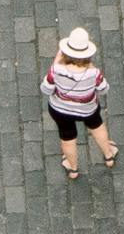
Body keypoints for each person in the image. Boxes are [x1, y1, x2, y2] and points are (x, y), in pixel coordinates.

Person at [40, 27, 118, 175]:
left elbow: (46, 89)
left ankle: (73, 168)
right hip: (88, 109)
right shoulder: (94, 73)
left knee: (67, 137)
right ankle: (109, 155)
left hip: (59, 109)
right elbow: (103, 89)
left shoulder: (55, 70)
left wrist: (55, 63)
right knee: (97, 127)